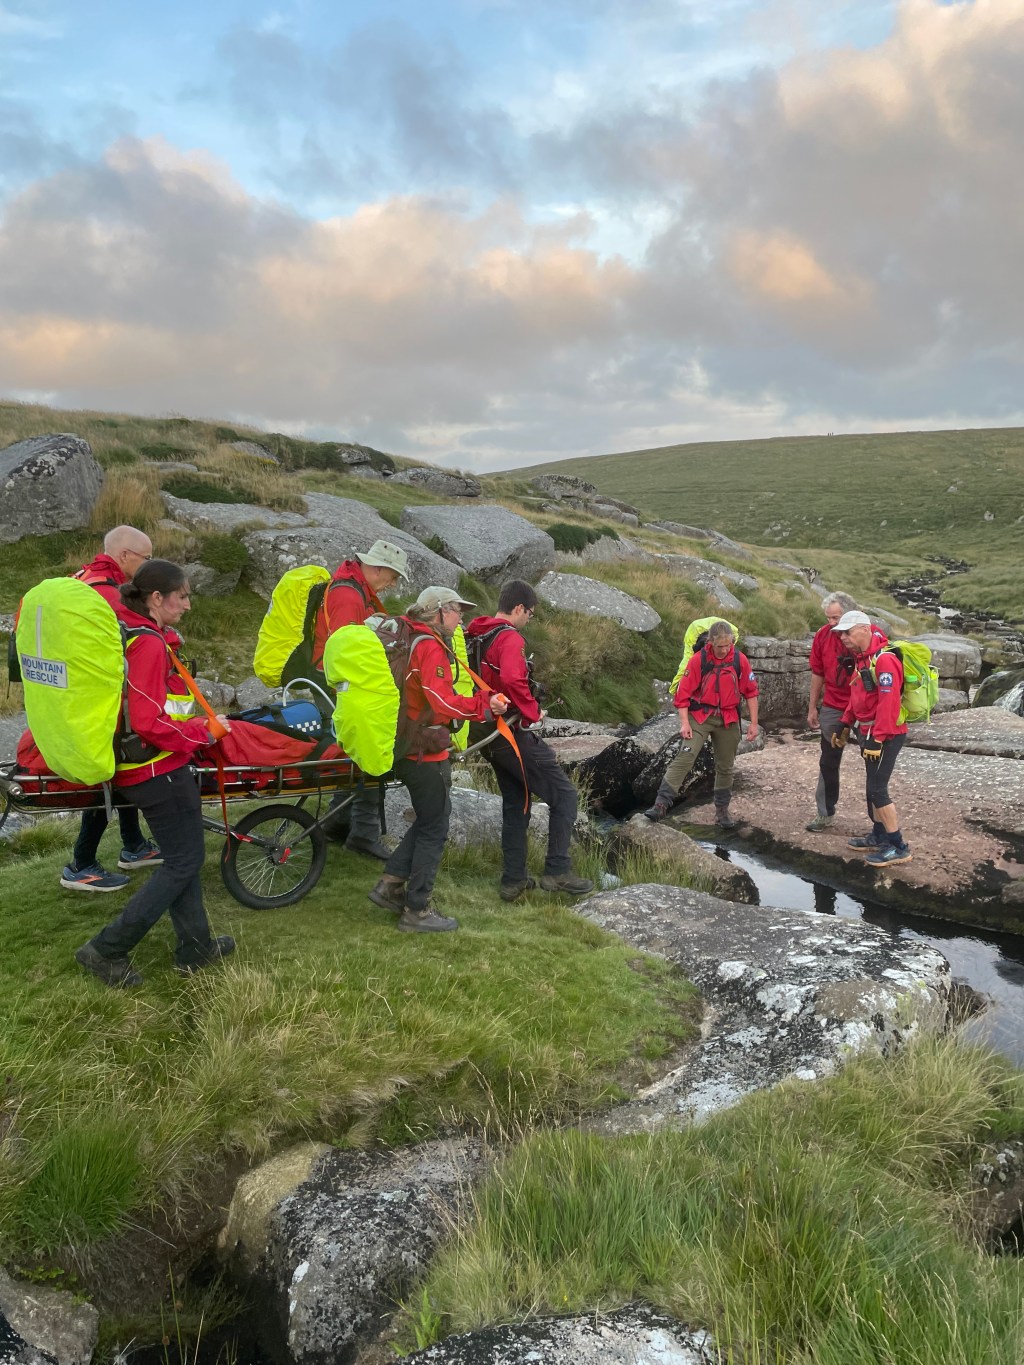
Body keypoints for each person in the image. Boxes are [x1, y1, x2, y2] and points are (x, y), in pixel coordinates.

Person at [74, 560, 235, 987]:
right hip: (156, 769)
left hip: (139, 766)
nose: (187, 604)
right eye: (181, 596)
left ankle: (195, 949)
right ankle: (107, 949)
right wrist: (202, 733)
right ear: (156, 598)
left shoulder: (125, 629)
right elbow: (148, 720)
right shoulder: (146, 643)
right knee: (183, 862)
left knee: (184, 857)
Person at [368, 586, 508, 933]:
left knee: (432, 817)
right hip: (421, 747)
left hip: (401, 741)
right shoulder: (429, 646)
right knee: (436, 824)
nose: (462, 618)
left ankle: (390, 885)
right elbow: (441, 700)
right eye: (457, 610)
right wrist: (483, 707)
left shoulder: (407, 636)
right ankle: (417, 910)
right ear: (440, 611)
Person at [465, 580, 594, 903]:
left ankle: (514, 879)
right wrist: (532, 709)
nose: (529, 620)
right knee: (564, 795)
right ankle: (557, 871)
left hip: (483, 730)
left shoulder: (477, 632)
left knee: (517, 802)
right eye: (530, 614)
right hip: (507, 730)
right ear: (520, 608)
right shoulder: (509, 637)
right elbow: (510, 678)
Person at [60, 525, 162, 892]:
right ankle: (81, 863)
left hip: (82, 696)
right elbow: (144, 631)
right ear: (124, 556)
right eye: (146, 557)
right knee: (107, 779)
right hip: (106, 702)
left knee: (121, 772)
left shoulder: (81, 580)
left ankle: (134, 845)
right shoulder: (110, 592)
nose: (148, 564)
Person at [312, 539, 410, 860]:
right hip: (342, 683)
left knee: (355, 750)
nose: (394, 583)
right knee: (369, 746)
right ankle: (362, 833)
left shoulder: (357, 590)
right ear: (378, 568)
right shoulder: (348, 595)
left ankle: (335, 825)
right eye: (393, 576)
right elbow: (347, 646)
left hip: (342, 680)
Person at [644, 618, 759, 829]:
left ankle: (722, 812)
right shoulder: (699, 660)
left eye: (728, 645)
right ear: (710, 643)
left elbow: (751, 692)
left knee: (725, 766)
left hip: (729, 718)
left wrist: (753, 724)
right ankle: (661, 805)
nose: (724, 650)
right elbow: (683, 694)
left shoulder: (739, 660)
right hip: (701, 716)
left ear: (732, 642)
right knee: (686, 756)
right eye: (719, 646)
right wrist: (685, 723)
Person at [833, 610, 912, 867]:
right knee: (871, 787)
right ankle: (879, 835)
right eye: (841, 633)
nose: (843, 637)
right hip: (868, 732)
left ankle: (897, 845)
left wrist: (877, 739)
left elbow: (889, 705)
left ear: (865, 630)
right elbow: (857, 696)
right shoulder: (862, 659)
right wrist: (845, 723)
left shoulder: (885, 661)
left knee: (878, 789)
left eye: (847, 631)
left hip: (886, 735)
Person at [805, 592, 867, 833]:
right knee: (828, 761)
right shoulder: (822, 635)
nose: (831, 623)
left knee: (873, 760)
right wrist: (813, 707)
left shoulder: (868, 635)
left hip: (864, 706)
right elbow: (817, 672)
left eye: (836, 618)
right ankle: (825, 813)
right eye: (828, 618)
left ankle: (880, 822)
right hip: (833, 704)